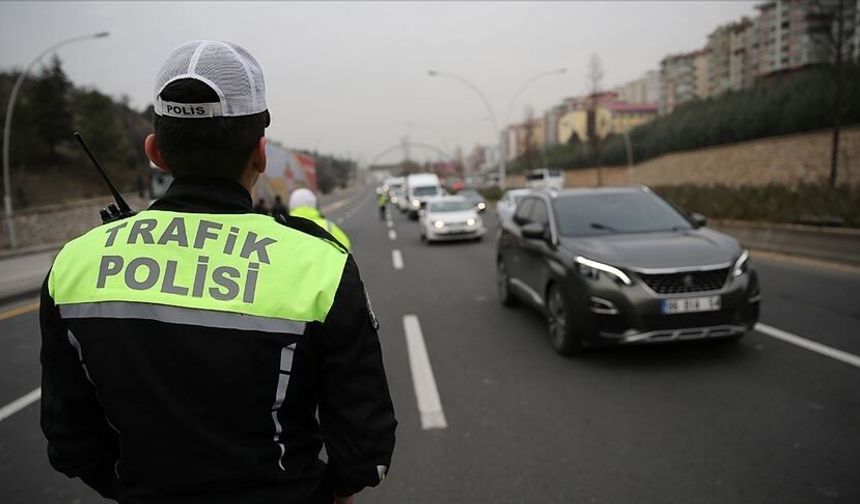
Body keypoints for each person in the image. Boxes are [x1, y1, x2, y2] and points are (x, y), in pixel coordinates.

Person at [40, 40, 396, 504]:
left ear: (155, 152)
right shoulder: (320, 265)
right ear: (260, 152)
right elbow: (365, 453)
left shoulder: (74, 265)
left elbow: (71, 443)